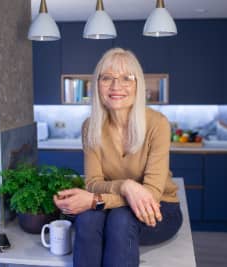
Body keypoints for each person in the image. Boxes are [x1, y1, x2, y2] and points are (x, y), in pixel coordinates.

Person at [53, 47, 182, 267]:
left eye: (126, 78)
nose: (116, 86)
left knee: (120, 220)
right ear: (97, 85)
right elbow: (93, 183)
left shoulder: (157, 124)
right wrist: (126, 186)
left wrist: (96, 201)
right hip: (114, 208)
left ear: (137, 84)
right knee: (87, 219)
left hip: (158, 207)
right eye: (107, 78)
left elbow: (150, 193)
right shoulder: (90, 127)